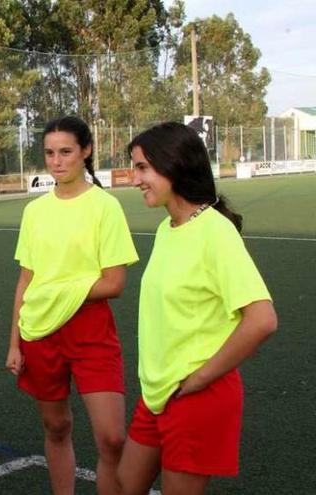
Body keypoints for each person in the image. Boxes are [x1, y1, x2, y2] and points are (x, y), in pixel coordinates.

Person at [118, 122, 278, 495]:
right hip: (158, 392)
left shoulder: (215, 232)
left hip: (196, 396)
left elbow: (262, 319)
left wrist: (202, 378)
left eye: (142, 167)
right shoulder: (167, 228)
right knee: (126, 483)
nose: (134, 178)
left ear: (172, 166)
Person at [5, 116, 138, 495]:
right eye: (49, 153)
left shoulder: (105, 207)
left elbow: (114, 282)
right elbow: (27, 282)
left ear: (86, 151)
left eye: (66, 152)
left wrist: (60, 291)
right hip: (41, 331)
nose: (57, 161)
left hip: (91, 328)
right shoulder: (35, 212)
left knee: (112, 438)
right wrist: (14, 343)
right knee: (56, 427)